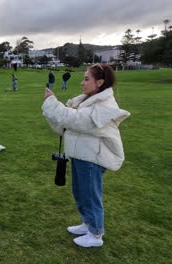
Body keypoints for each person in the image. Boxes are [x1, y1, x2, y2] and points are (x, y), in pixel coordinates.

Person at [41, 64, 130, 247]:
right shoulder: (87, 101)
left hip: (91, 158)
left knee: (90, 196)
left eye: (87, 79)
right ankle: (88, 224)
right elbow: (66, 124)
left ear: (100, 82)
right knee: (80, 193)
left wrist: (52, 103)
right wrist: (53, 110)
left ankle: (96, 234)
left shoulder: (104, 105)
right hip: (80, 155)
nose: (82, 83)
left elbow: (78, 121)